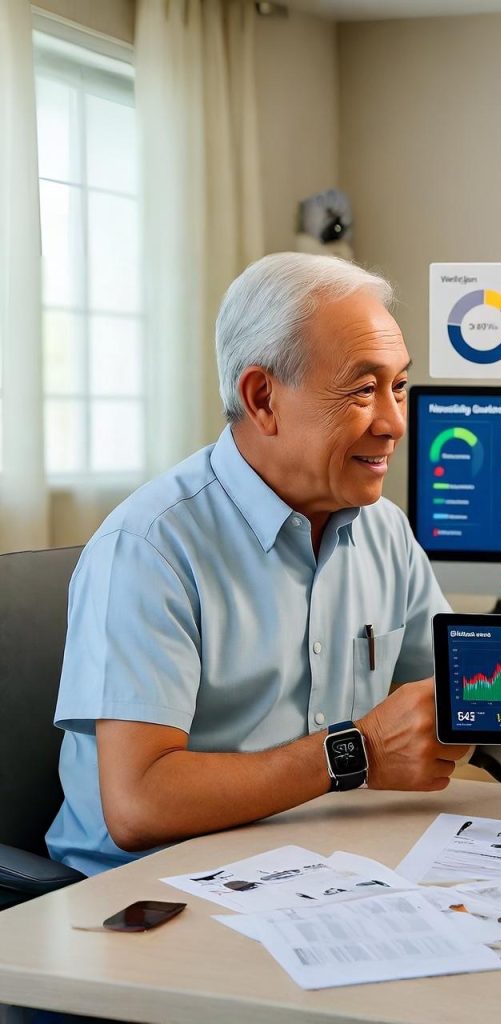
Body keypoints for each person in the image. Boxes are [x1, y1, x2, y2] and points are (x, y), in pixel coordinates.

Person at [47, 253, 467, 876]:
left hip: (323, 870)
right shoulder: (149, 547)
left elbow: (450, 705)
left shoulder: (384, 529)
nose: (395, 423)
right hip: (153, 889)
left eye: (398, 386)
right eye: (363, 389)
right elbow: (139, 805)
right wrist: (358, 751)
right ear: (262, 398)